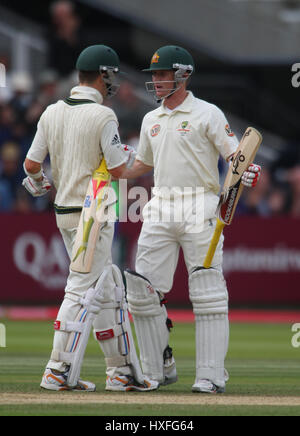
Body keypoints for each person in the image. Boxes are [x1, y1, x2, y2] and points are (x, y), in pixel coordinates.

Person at [122, 45, 261, 394]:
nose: (155, 81)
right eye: (153, 75)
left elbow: (236, 155)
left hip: (200, 203)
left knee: (208, 291)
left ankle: (211, 376)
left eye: (162, 74)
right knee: (142, 292)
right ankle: (155, 370)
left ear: (182, 75)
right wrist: (110, 167)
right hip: (160, 204)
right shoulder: (150, 119)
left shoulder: (207, 113)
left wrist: (247, 171)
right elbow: (141, 164)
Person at [22, 44, 158, 393]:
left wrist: (39, 185)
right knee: (82, 290)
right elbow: (117, 170)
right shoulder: (103, 116)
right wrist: (141, 156)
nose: (112, 82)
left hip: (65, 212)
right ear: (103, 75)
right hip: (94, 211)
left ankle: (122, 371)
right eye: (110, 75)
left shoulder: (52, 111)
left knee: (109, 290)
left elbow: (31, 165)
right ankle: (57, 369)